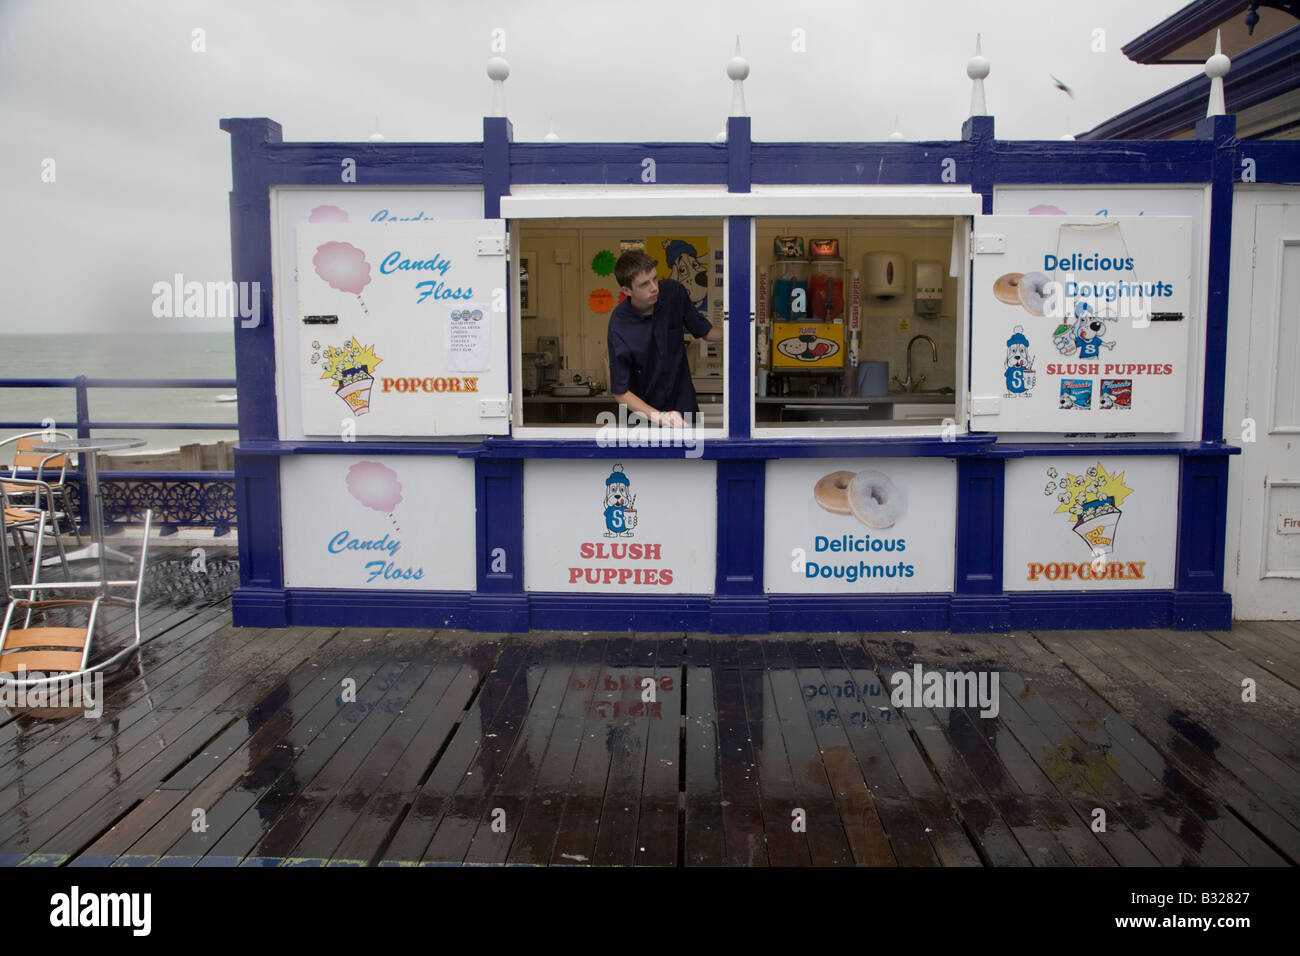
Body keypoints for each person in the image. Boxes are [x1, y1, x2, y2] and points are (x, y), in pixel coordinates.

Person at [607, 251, 723, 427]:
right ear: (626, 290)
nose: (654, 287)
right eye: (645, 284)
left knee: (693, 454)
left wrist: (735, 327)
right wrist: (661, 418)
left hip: (683, 406)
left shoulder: (673, 292)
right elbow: (620, 392)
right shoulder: (619, 326)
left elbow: (705, 332)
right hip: (644, 417)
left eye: (654, 278)